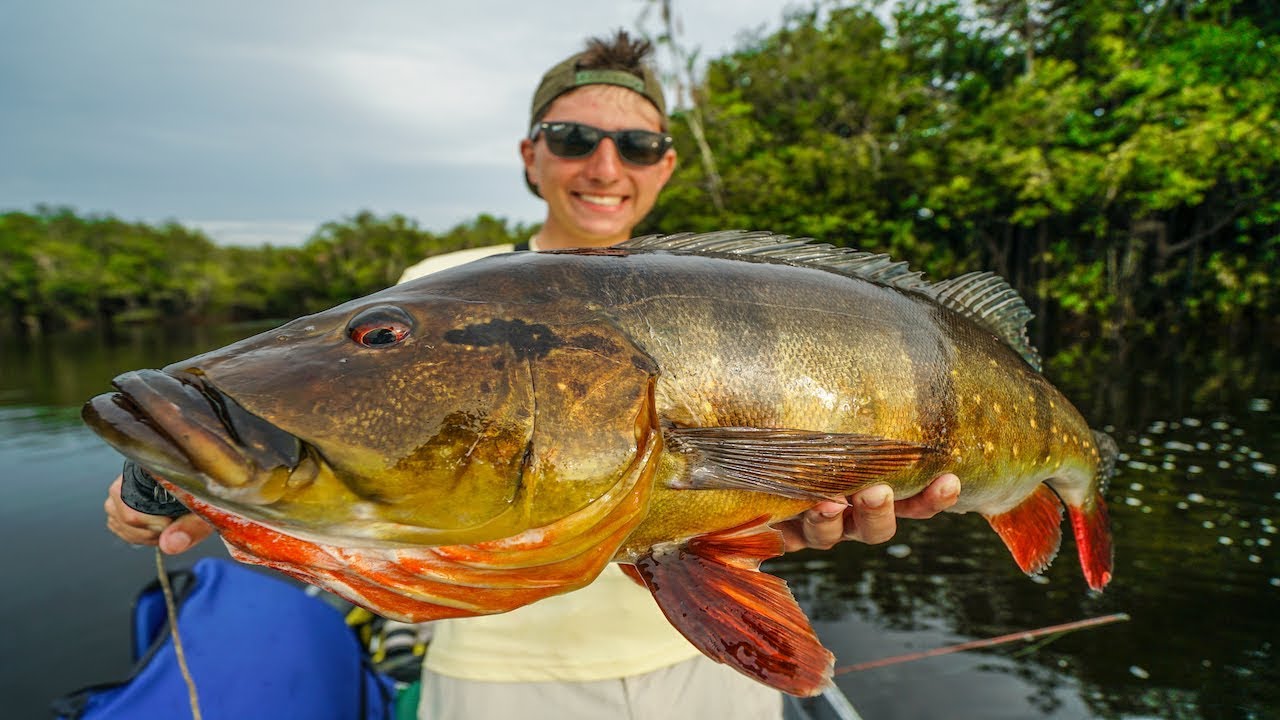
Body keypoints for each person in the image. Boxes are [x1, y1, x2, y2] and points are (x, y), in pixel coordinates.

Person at [103, 30, 961, 720]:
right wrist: (178, 485)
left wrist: (802, 519)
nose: (603, 165)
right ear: (531, 155)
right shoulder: (447, 283)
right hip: (502, 680)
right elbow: (363, 442)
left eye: (636, 144)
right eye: (573, 138)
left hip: (705, 668)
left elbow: (751, 507)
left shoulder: (739, 296)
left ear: (665, 163)